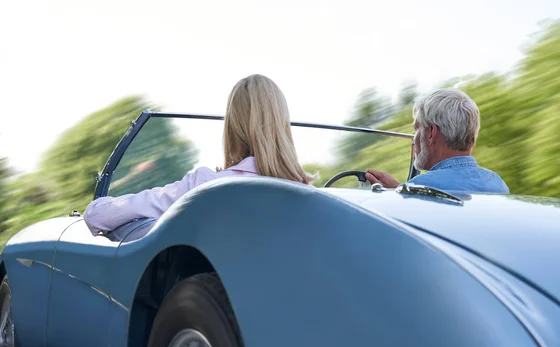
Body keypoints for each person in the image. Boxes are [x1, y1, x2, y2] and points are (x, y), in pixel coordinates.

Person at [84, 74, 315, 236]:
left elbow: (99, 215)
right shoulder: (311, 196)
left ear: (233, 126)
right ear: (283, 124)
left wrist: (96, 206)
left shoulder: (206, 185)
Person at [365, 88, 509, 194]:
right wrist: (400, 191)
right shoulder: (496, 184)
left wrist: (405, 193)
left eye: (417, 129)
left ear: (431, 133)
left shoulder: (420, 189)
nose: (414, 138)